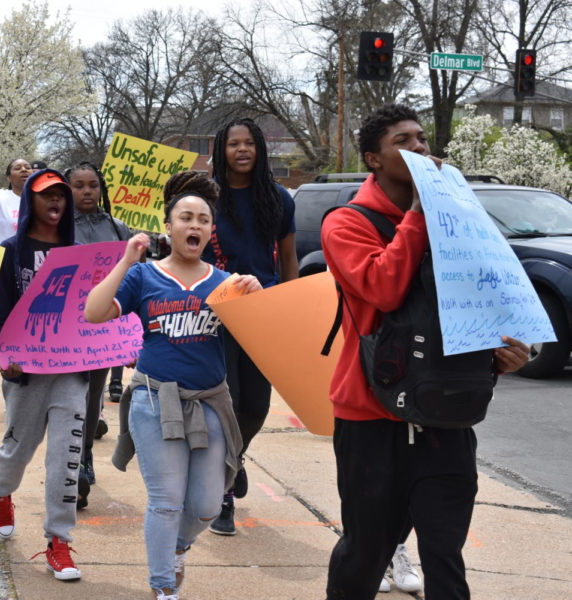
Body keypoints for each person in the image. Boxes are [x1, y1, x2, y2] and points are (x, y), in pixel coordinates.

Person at [321, 103, 530, 600]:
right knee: (366, 552)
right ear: (373, 159)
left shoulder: (458, 218)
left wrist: (502, 355)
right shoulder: (345, 224)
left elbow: (483, 297)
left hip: (445, 414)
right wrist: (419, 211)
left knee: (444, 556)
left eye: (422, 139)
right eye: (403, 141)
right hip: (371, 418)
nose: (419, 148)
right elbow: (384, 288)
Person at [85, 171, 261, 600]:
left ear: (211, 230)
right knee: (165, 500)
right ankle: (163, 587)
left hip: (210, 403)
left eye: (203, 219)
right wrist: (126, 259)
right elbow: (93, 312)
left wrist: (258, 295)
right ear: (169, 226)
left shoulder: (225, 283)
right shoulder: (144, 277)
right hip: (153, 400)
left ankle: (178, 546)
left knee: (205, 504)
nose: (194, 225)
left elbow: (261, 337)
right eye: (186, 217)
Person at [0, 168, 88, 581]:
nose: (56, 202)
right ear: (31, 201)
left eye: (61, 195)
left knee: (66, 457)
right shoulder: (12, 251)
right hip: (25, 372)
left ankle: (58, 542)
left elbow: (93, 307)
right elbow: (1, 311)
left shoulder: (79, 252)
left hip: (71, 371)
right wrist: (5, 353)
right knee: (17, 450)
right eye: (47, 196)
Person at [203, 117, 298, 536]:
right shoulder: (208, 198)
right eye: (232, 144)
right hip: (215, 314)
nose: (241, 150)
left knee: (256, 407)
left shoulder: (279, 199)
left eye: (249, 143)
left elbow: (289, 257)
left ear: (259, 149)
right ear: (221, 151)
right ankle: (224, 497)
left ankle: (235, 460)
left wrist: (290, 303)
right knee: (229, 402)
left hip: (264, 310)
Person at [67, 161, 132, 505]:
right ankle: (68, 459)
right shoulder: (58, 226)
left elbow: (131, 275)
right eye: (79, 185)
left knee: (94, 392)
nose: (87, 191)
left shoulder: (117, 227)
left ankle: (84, 454)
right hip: (67, 325)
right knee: (69, 394)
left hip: (103, 324)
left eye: (92, 185)